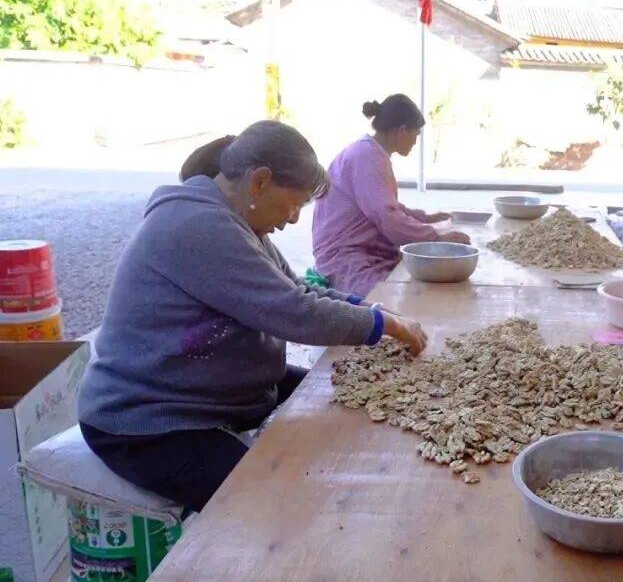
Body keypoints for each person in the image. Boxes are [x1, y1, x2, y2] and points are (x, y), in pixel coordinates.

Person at [77, 121, 428, 513]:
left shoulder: (237, 222)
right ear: (260, 182)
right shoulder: (197, 225)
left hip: (211, 386)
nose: (294, 219)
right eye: (294, 204)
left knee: (348, 393)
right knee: (269, 504)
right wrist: (383, 325)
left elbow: (298, 288)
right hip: (149, 418)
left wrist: (372, 310)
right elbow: (293, 312)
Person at [312, 93, 469, 295]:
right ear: (401, 131)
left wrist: (425, 218)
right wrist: (436, 238)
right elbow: (386, 216)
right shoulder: (367, 156)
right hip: (345, 259)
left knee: (422, 284)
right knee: (404, 299)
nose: (415, 142)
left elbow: (386, 205)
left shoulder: (370, 151)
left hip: (362, 252)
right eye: (416, 135)